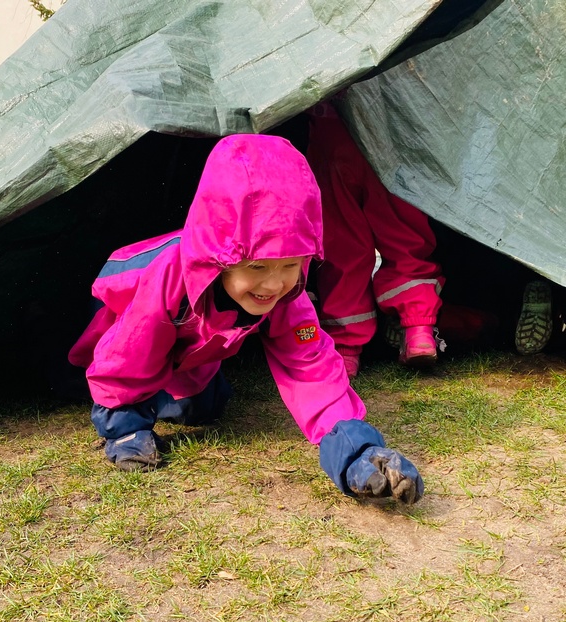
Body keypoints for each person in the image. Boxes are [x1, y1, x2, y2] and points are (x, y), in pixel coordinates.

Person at [68, 134, 424, 504]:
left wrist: (356, 449)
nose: (273, 284)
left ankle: (167, 391)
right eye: (257, 266)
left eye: (290, 264)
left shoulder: (287, 293)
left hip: (196, 343)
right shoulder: (168, 279)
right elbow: (129, 351)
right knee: (100, 380)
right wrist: (124, 424)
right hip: (121, 314)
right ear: (220, 257)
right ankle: (123, 412)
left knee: (202, 408)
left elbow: (310, 365)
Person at [305, 101, 445, 378]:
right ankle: (418, 330)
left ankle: (345, 348)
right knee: (405, 238)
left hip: (332, 128)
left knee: (342, 247)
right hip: (393, 127)